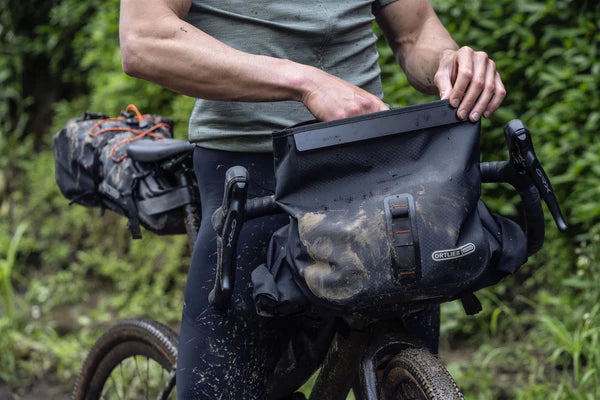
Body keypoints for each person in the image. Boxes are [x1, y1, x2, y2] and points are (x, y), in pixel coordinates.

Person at [119, 0, 506, 398]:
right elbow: (144, 40)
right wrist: (306, 83)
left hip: (372, 164)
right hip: (252, 172)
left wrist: (448, 61)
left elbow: (416, 30)